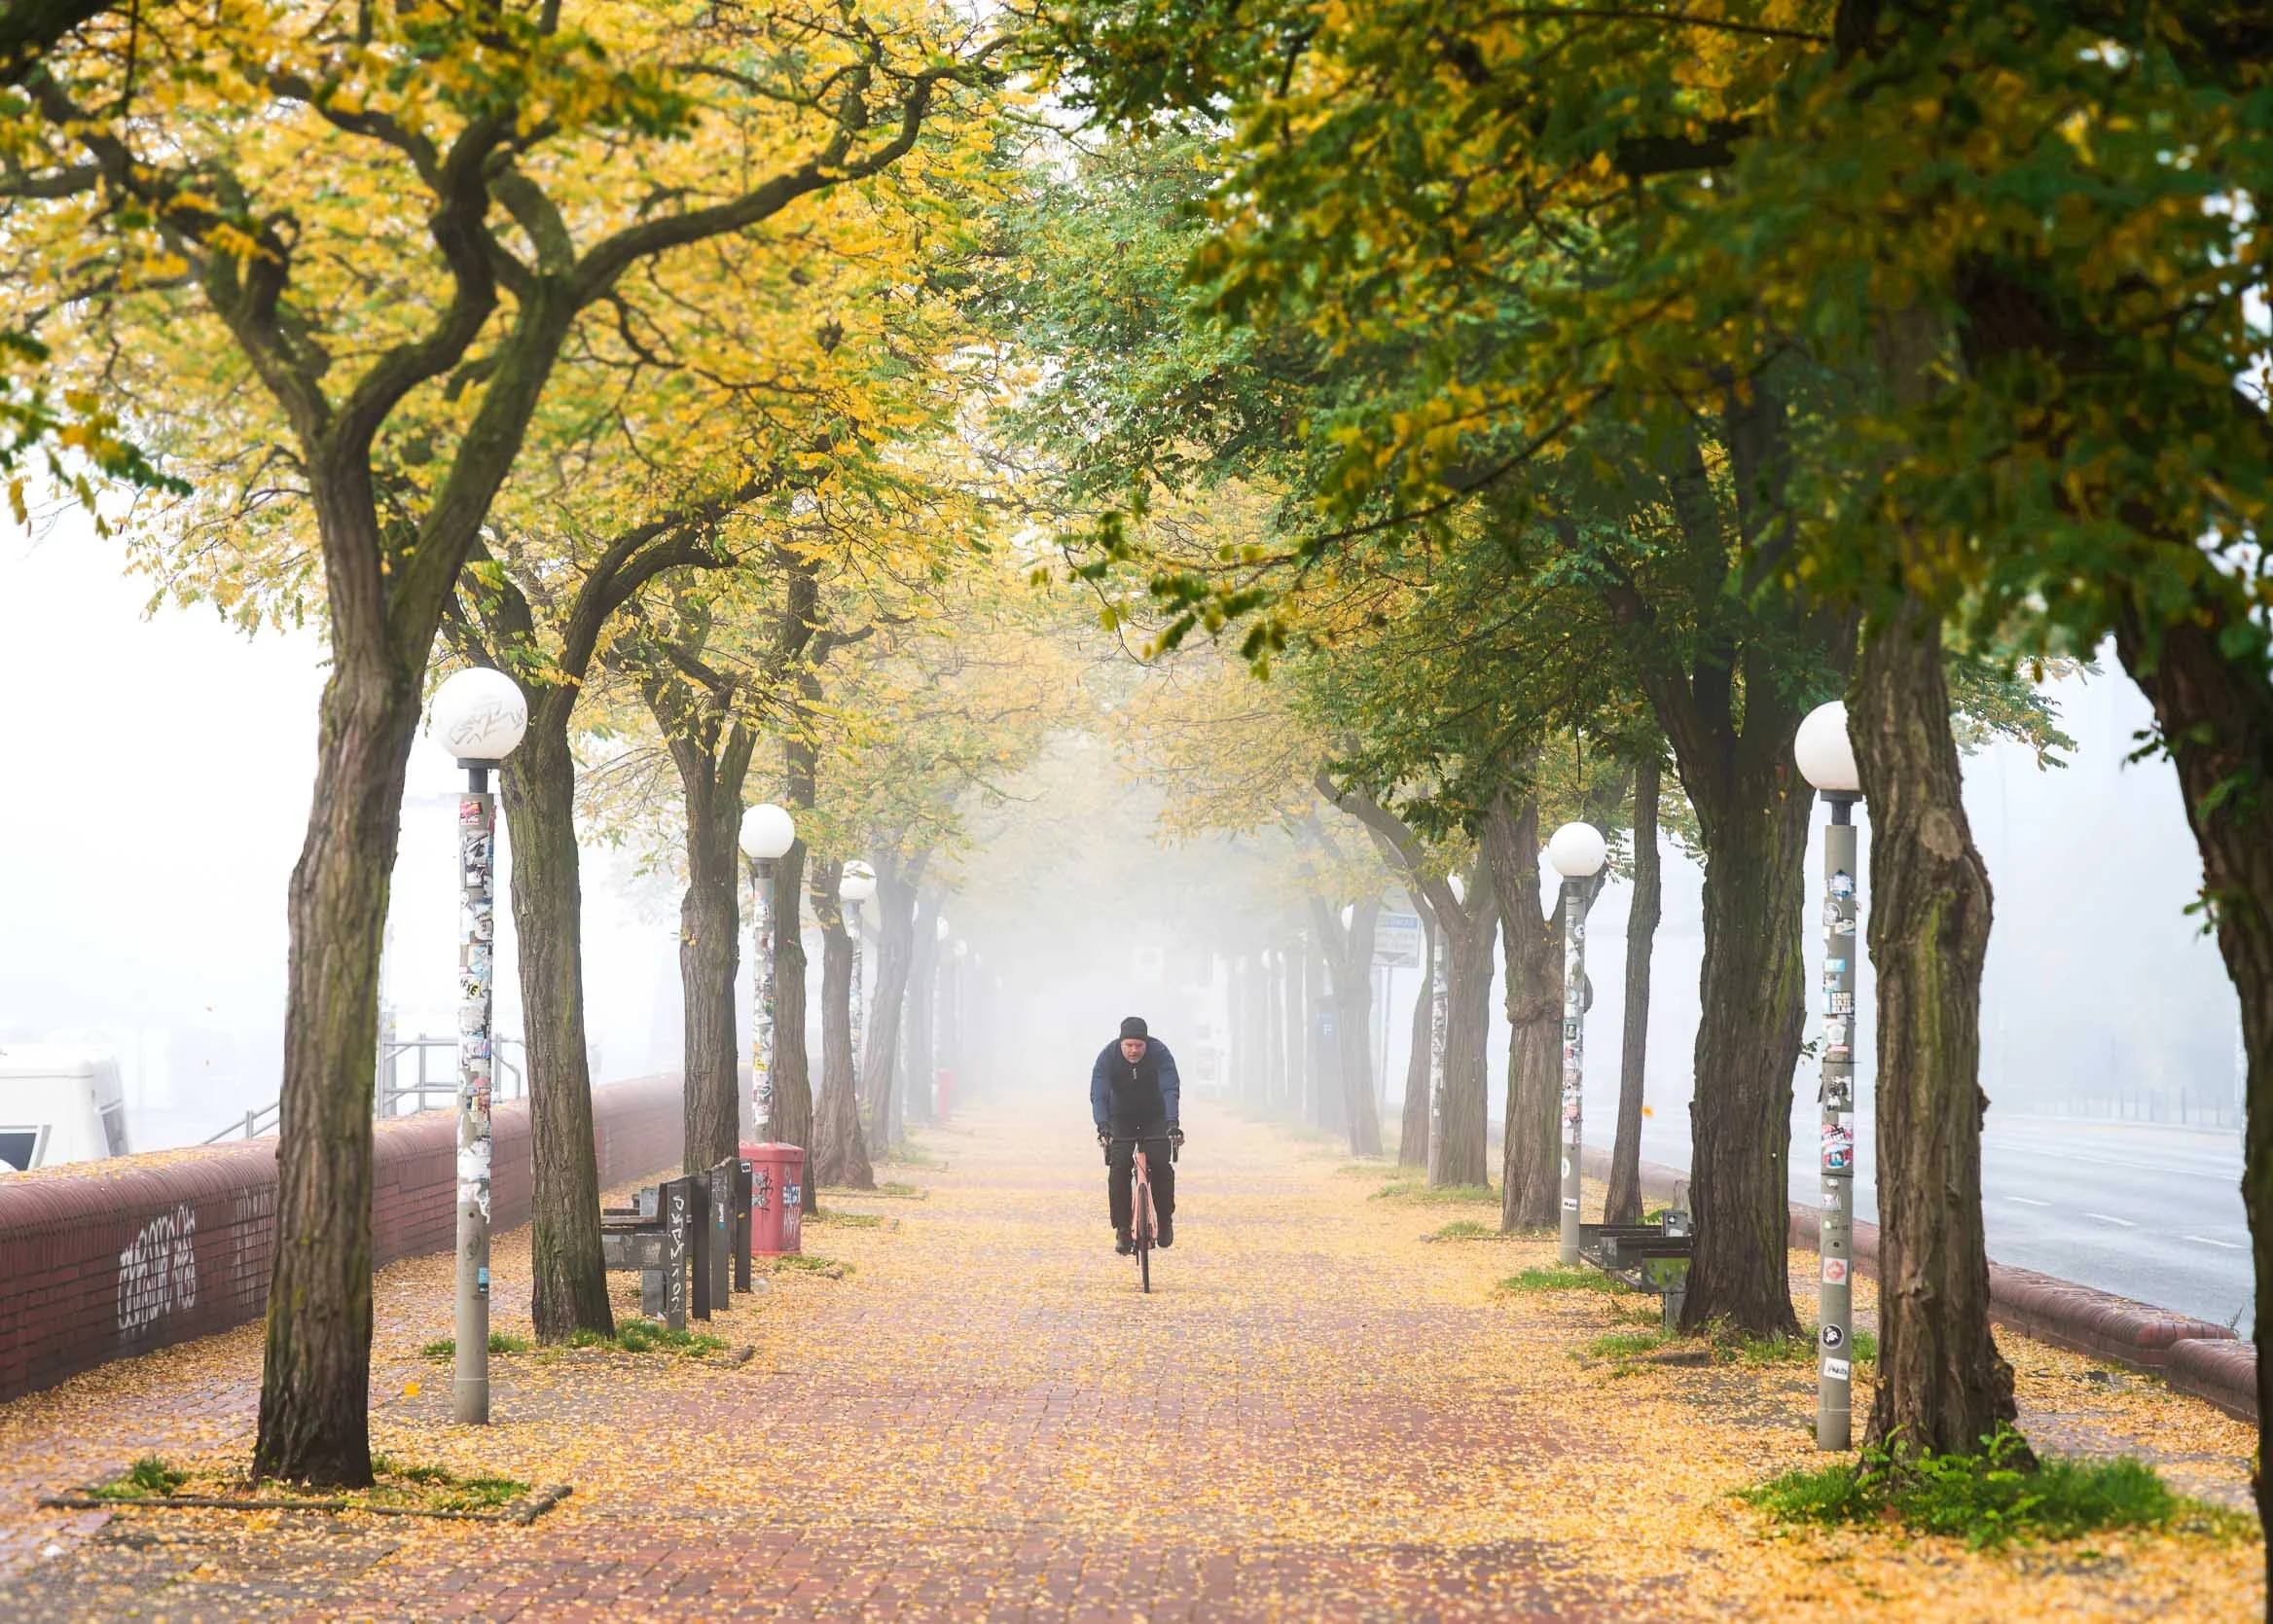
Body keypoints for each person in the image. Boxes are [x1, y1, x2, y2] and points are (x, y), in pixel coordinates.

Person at [1091, 1016, 1184, 1254]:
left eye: (1139, 1045)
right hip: (1120, 1117)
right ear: (1121, 1043)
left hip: (1155, 1116)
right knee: (1119, 1166)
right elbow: (1099, 1094)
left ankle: (1165, 1219)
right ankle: (1122, 1228)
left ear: (1147, 1043)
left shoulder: (1160, 1053)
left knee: (1161, 1163)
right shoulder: (1107, 1057)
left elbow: (1170, 1088)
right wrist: (1103, 1126)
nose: (1134, 1050)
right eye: (1129, 1045)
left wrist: (1172, 1123)